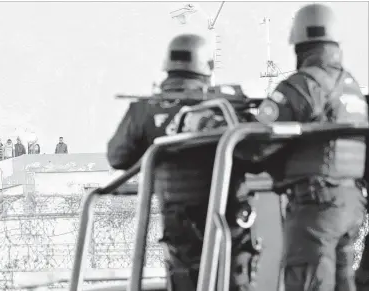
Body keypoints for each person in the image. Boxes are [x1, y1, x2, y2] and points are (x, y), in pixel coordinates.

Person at [107, 33, 259, 291]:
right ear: (206, 67)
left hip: (178, 224)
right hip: (229, 217)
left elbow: (118, 156)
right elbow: (258, 151)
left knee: (186, 278)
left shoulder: (145, 109)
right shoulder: (224, 105)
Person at [240, 4, 367, 290]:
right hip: (350, 204)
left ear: (299, 45)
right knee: (341, 282)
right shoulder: (352, 88)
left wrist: (239, 126)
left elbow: (256, 144)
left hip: (315, 208)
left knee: (307, 281)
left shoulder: (302, 85)